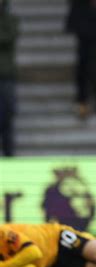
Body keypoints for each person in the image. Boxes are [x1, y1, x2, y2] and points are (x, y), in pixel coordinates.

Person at [0, 0, 18, 156]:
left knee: (7, 115)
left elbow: (8, 37)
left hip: (5, 75)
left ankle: (8, 153)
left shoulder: (11, 20)